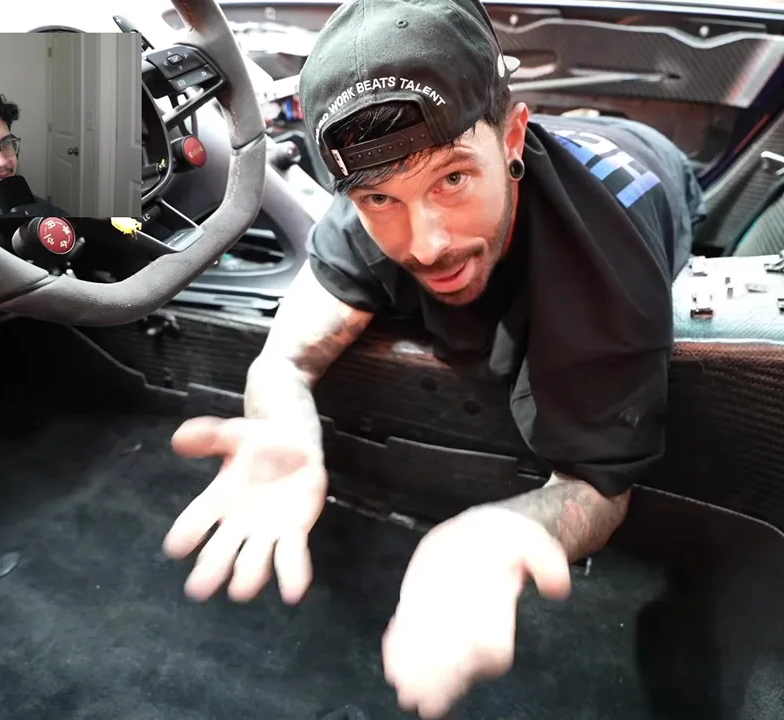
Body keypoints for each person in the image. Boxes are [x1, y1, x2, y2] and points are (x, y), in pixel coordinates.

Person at [163, 0, 706, 716]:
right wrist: (280, 421)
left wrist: (504, 533)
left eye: (452, 179)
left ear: (514, 136)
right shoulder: (371, 190)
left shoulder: (605, 277)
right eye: (380, 199)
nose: (426, 243)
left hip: (651, 164)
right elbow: (286, 357)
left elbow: (598, 485)